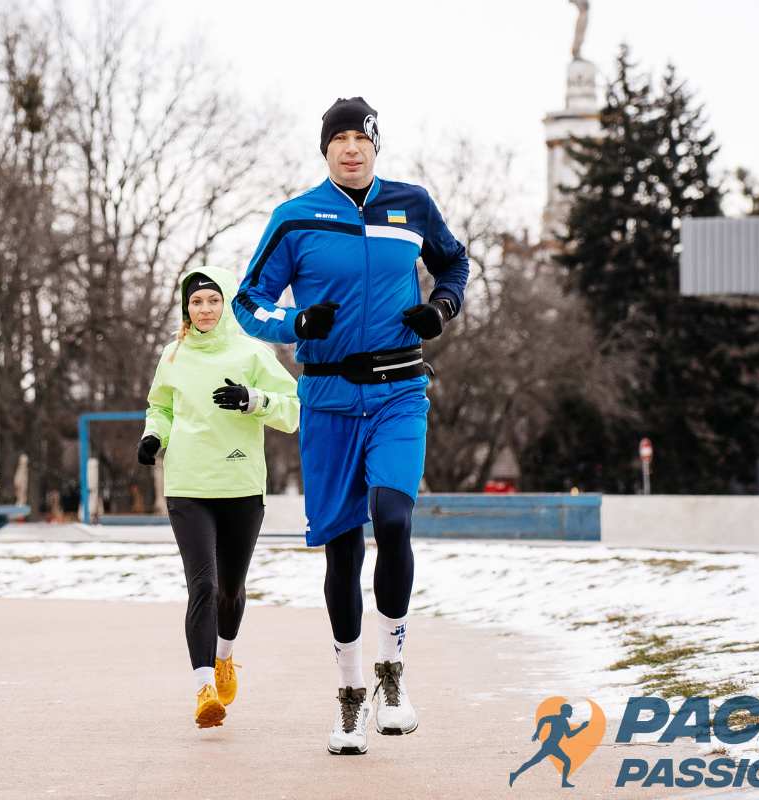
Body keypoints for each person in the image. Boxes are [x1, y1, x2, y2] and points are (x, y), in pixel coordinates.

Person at [232, 97, 469, 755]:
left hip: (399, 392)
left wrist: (441, 306)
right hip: (329, 400)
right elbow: (247, 301)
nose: (350, 149)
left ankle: (393, 677)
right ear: (325, 151)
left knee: (393, 518)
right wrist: (293, 325)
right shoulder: (296, 218)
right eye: (338, 140)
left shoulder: (411, 206)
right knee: (342, 547)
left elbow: (454, 262)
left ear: (375, 146)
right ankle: (349, 693)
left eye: (360, 138)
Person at [138, 265, 299, 729]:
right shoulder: (172, 355)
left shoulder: (253, 353)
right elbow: (161, 406)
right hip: (187, 485)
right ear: (185, 308)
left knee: (230, 589)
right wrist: (154, 436)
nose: (205, 309)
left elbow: (292, 410)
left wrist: (254, 400)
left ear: (226, 302)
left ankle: (225, 657)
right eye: (196, 302)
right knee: (202, 586)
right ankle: (203, 688)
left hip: (241, 485)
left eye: (212, 300)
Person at [509, 703, 590, 787]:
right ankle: (564, 782)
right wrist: (582, 727)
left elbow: (542, 719)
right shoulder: (563, 721)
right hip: (551, 745)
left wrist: (537, 732)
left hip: (551, 744)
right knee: (566, 761)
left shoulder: (556, 718)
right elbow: (569, 735)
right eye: (570, 711)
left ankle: (515, 775)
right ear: (565, 712)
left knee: (534, 761)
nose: (571, 713)